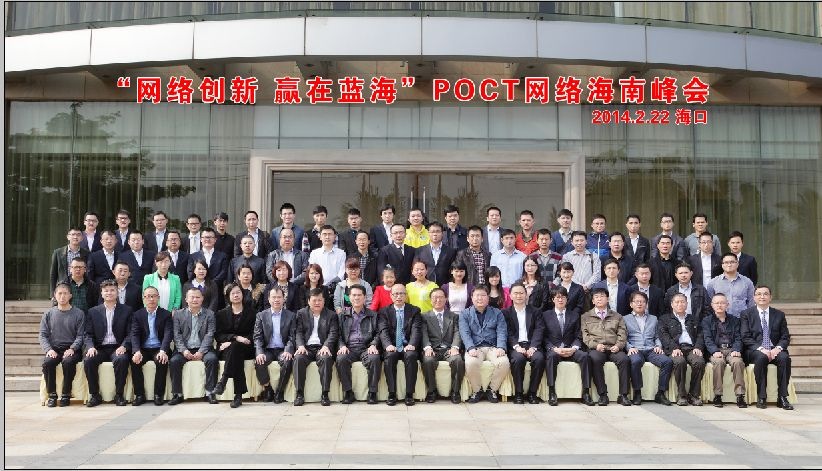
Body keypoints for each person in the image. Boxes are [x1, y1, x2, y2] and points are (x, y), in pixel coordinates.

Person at [740, 285, 793, 410]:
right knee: (761, 357)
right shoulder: (746, 314)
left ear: (770, 297)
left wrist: (777, 348)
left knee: (784, 358)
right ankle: (762, 397)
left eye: (765, 294)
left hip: (774, 349)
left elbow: (785, 336)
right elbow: (745, 337)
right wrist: (761, 349)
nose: (762, 297)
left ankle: (782, 397)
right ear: (754, 297)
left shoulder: (779, 315)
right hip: (755, 350)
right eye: (759, 294)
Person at [83, 280, 133, 407]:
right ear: (101, 293)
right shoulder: (93, 311)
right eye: (106, 291)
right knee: (89, 360)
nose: (109, 293)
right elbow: (87, 334)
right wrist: (90, 347)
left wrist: (124, 346)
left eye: (112, 290)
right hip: (99, 348)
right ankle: (95, 395)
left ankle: (119, 395)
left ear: (117, 292)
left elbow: (131, 333)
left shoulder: (127, 310)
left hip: (117, 347)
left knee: (122, 359)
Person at [542, 287, 594, 406]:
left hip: (571, 348)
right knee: (551, 357)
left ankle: (586, 392)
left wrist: (574, 348)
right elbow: (544, 337)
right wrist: (553, 348)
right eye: (557, 297)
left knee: (585, 356)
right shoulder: (545, 315)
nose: (560, 300)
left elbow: (579, 335)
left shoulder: (575, 315)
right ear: (553, 299)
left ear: (567, 299)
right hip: (555, 349)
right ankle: (552, 392)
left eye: (563, 297)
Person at [459, 285, 510, 404]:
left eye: (483, 295)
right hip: (475, 347)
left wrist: (501, 347)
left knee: (504, 362)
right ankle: (477, 390)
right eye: (477, 295)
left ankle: (491, 390)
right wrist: (470, 347)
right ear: (472, 297)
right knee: (471, 363)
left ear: (488, 298)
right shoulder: (465, 314)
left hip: (493, 347)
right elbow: (465, 333)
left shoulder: (497, 313)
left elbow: (502, 331)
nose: (480, 298)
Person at [580, 287, 631, 406]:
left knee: (624, 360)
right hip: (597, 348)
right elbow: (585, 336)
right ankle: (603, 395)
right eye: (596, 297)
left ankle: (623, 395)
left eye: (602, 296)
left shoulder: (617, 316)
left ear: (608, 299)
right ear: (592, 301)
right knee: (595, 359)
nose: (599, 299)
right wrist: (595, 345)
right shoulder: (586, 316)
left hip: (614, 348)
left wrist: (618, 345)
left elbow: (622, 333)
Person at [169, 288, 219, 405]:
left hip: (203, 348)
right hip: (184, 349)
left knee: (212, 359)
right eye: (192, 297)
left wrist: (201, 351)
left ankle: (210, 392)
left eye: (198, 297)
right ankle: (177, 394)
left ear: (202, 299)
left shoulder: (210, 314)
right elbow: (177, 335)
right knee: (174, 361)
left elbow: (210, 334)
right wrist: (184, 351)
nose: (195, 299)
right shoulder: (178, 314)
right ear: (186, 299)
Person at [623, 291, 673, 406]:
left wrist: (658, 346)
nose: (640, 304)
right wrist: (629, 347)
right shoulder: (625, 319)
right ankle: (637, 393)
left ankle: (661, 393)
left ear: (646, 304)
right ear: (631, 304)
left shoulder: (653, 318)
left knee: (667, 361)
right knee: (635, 361)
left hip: (651, 349)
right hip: (635, 349)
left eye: (643, 301)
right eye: (637, 301)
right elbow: (623, 337)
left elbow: (657, 336)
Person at [39, 282, 85, 407]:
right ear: (55, 295)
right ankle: (52, 395)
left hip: (72, 350)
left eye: (65, 293)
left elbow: (81, 335)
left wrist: (72, 348)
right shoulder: (48, 314)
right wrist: (49, 349)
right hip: (54, 349)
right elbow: (43, 335)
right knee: (48, 363)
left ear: (70, 295)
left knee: (68, 362)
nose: (62, 296)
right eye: (59, 293)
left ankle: (66, 394)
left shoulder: (79, 313)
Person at [336, 284, 382, 404]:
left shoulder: (373, 315)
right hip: (349, 348)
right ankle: (348, 392)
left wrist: (373, 344)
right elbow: (337, 334)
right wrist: (342, 345)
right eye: (354, 295)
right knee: (341, 358)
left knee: (374, 358)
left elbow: (379, 333)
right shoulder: (342, 315)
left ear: (365, 297)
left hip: (366, 348)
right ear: (349, 297)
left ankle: (372, 393)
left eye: (359, 295)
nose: (356, 298)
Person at [213, 283, 257, 408]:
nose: (236, 295)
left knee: (236, 348)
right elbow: (218, 335)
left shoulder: (252, 313)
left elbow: (255, 333)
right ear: (228, 296)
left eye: (238, 292)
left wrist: (243, 340)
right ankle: (238, 396)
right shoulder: (221, 314)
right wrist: (234, 338)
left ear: (243, 294)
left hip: (247, 347)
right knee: (235, 350)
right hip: (227, 349)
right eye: (233, 293)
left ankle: (223, 380)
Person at [378, 284, 423, 406]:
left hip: (407, 345)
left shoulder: (414, 310)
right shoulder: (384, 311)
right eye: (396, 294)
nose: (399, 296)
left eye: (401, 293)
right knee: (390, 356)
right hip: (392, 345)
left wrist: (412, 344)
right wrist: (388, 345)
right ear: (391, 296)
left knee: (411, 356)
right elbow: (383, 331)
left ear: (406, 295)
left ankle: (409, 394)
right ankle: (392, 393)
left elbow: (416, 330)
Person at [293, 288, 339, 406]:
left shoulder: (331, 315)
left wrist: (326, 346)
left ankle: (325, 394)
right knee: (298, 358)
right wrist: (300, 346)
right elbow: (298, 332)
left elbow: (333, 333)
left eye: (320, 300)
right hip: (306, 348)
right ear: (308, 301)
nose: (317, 303)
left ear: (324, 301)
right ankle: (299, 394)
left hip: (322, 347)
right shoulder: (301, 313)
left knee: (326, 358)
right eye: (314, 300)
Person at [658, 293, 706, 406]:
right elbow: (664, 336)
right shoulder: (664, 319)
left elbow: (701, 335)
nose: (680, 304)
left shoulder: (693, 319)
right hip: (675, 348)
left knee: (699, 361)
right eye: (677, 302)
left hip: (691, 348)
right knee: (679, 362)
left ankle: (694, 395)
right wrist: (674, 348)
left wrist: (698, 347)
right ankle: (682, 395)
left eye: (682, 302)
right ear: (672, 304)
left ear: (687, 304)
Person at [130, 286, 173, 406]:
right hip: (143, 348)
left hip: (159, 348)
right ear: (144, 298)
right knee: (135, 361)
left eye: (153, 296)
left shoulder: (166, 314)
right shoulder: (137, 315)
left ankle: (158, 395)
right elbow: (134, 334)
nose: (151, 299)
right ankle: (139, 395)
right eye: (148, 296)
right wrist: (136, 351)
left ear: (158, 297)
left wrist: (163, 350)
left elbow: (168, 334)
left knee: (161, 360)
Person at [420, 288, 464, 404]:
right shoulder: (424, 316)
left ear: (446, 299)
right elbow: (423, 333)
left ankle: (455, 392)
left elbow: (457, 332)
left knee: (458, 360)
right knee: (428, 360)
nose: (438, 300)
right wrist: (427, 347)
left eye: (441, 297)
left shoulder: (454, 316)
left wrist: (455, 347)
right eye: (435, 297)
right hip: (433, 349)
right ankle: (432, 391)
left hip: (449, 349)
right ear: (430, 300)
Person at [703, 293, 747, 408]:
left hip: (731, 349)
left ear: (727, 304)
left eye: (722, 303)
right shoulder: (707, 321)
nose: (719, 305)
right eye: (716, 303)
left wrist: (736, 349)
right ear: (712, 305)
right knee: (718, 362)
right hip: (716, 350)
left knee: (738, 362)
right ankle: (718, 395)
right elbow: (707, 339)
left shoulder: (735, 320)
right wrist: (714, 351)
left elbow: (739, 337)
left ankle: (740, 395)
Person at [253, 287, 296, 404]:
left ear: (283, 299)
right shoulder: (261, 315)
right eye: (274, 297)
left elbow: (292, 336)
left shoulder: (291, 315)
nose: (276, 300)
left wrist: (288, 350)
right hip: (267, 350)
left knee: (287, 361)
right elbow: (257, 337)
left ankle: (279, 392)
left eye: (279, 297)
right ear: (268, 299)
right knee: (259, 361)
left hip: (283, 349)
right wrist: (259, 352)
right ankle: (268, 389)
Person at [504, 283, 545, 404]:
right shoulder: (506, 313)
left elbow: (539, 329)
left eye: (521, 293)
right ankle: (519, 393)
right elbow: (507, 332)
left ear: (526, 295)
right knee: (518, 359)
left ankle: (532, 393)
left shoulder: (536, 311)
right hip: (515, 346)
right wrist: (517, 347)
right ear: (510, 295)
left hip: (532, 344)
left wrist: (533, 347)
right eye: (516, 293)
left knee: (539, 359)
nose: (519, 296)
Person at [706, 253, 755, 318]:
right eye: (726, 262)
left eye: (732, 262)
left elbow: (751, 303)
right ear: (722, 265)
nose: (729, 265)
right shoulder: (713, 283)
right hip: (720, 320)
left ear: (737, 264)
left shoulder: (747, 282)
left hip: (741, 319)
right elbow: (710, 304)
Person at [50, 227, 90, 293]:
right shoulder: (58, 252)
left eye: (78, 234)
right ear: (68, 237)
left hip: (81, 287)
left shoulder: (87, 253)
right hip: (63, 288)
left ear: (82, 238)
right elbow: (53, 274)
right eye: (73, 234)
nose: (75, 237)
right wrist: (52, 293)